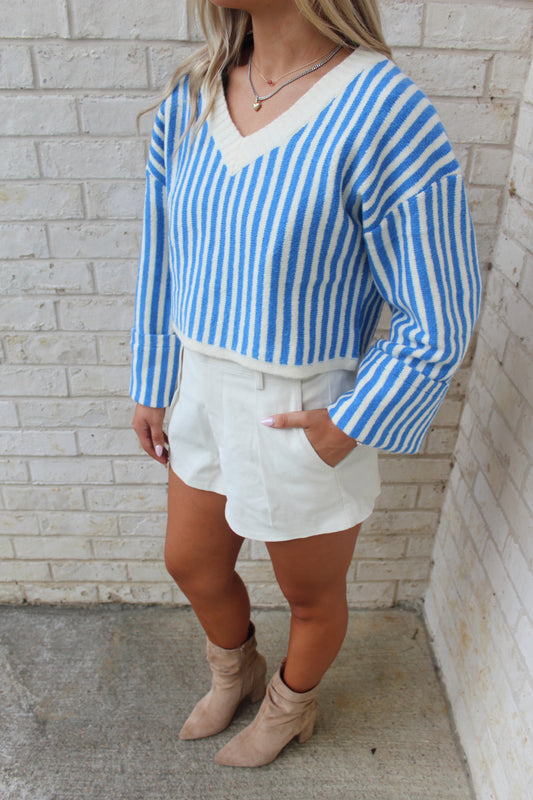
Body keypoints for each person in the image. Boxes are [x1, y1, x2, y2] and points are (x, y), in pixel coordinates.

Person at [130, 0, 482, 768]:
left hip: (298, 405)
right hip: (200, 386)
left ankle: (291, 708)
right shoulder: (194, 94)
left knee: (310, 598)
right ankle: (237, 669)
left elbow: (440, 307)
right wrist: (153, 381)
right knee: (191, 562)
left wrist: (353, 420)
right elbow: (162, 252)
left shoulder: (383, 110)